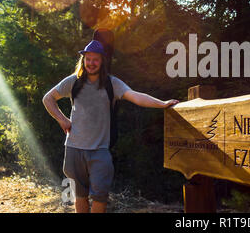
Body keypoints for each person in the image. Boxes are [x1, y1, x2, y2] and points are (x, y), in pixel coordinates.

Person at [42, 40, 179, 213]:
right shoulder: (73, 82)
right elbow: (48, 98)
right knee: (79, 196)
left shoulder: (112, 84)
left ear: (102, 61)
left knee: (100, 196)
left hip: (100, 150)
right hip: (73, 148)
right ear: (83, 60)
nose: (91, 63)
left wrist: (162, 104)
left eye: (95, 60)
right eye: (88, 59)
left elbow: (136, 96)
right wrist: (62, 120)